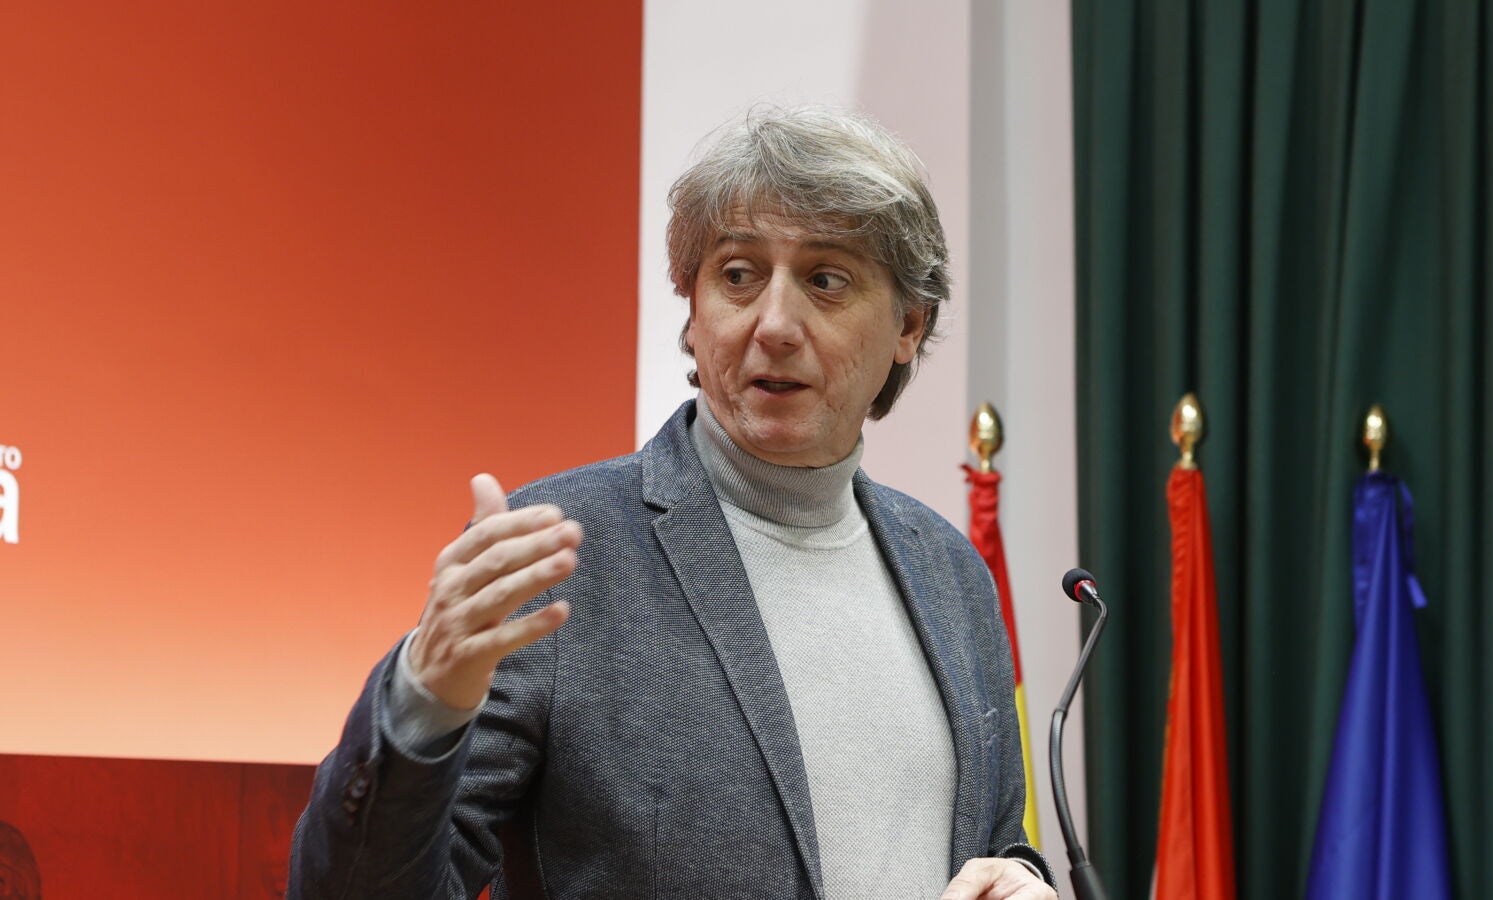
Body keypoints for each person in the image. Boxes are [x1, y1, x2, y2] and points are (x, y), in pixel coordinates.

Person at [289, 106, 1056, 900]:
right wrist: (422, 702)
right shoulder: (557, 559)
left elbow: (991, 842)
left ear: (909, 325)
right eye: (738, 275)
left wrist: (1020, 879)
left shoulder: (950, 573)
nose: (775, 324)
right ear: (693, 310)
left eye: (826, 279)